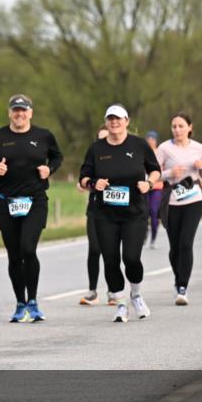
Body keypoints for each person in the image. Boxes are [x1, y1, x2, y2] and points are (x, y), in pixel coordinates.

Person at [0, 94, 63, 323]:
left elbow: (57, 156)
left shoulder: (43, 136)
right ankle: (20, 303)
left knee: (28, 248)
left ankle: (33, 301)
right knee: (14, 255)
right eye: (15, 110)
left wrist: (50, 169)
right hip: (7, 202)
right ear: (9, 113)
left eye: (23, 110)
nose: (19, 114)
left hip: (35, 201)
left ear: (31, 113)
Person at [79, 104, 160, 323]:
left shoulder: (139, 144)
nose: (114, 123)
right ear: (106, 122)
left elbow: (155, 169)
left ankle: (136, 294)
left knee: (131, 258)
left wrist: (149, 183)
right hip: (105, 214)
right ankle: (121, 302)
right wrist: (95, 183)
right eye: (110, 119)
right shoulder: (96, 149)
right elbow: (83, 177)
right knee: (111, 260)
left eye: (118, 119)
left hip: (134, 212)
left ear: (126, 121)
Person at [155, 113, 202, 305]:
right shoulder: (163, 148)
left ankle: (182, 287)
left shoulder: (199, 148)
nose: (177, 130)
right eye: (174, 126)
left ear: (189, 127)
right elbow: (151, 174)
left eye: (181, 126)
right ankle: (177, 279)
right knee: (175, 247)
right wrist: (169, 173)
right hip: (171, 201)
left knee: (186, 243)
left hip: (194, 199)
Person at [79, 127, 116, 306]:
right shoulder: (94, 155)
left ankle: (113, 290)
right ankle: (92, 291)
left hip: (116, 211)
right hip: (95, 209)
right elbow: (84, 178)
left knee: (111, 251)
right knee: (94, 249)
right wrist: (86, 184)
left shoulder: (121, 157)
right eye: (101, 138)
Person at [144, 131, 166, 249]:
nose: (150, 141)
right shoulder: (142, 152)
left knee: (153, 212)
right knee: (143, 212)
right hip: (143, 187)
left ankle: (153, 238)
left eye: (152, 139)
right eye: (148, 139)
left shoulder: (160, 153)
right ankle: (144, 233)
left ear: (156, 141)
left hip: (157, 187)